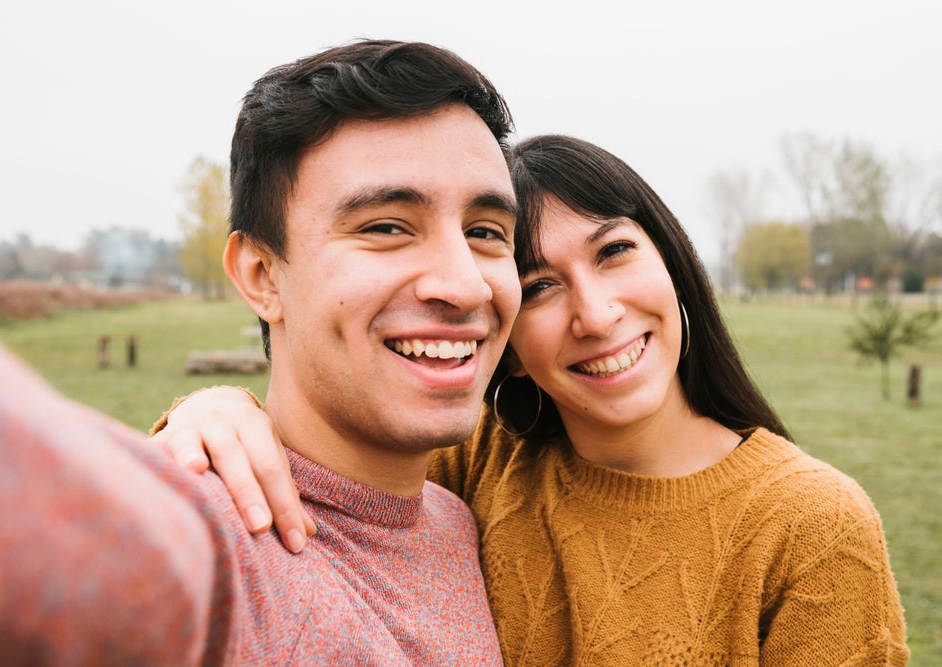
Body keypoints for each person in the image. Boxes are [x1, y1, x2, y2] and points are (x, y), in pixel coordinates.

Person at [154, 135, 910, 664]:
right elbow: (325, 465)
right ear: (506, 333)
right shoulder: (478, 463)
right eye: (542, 285)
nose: (597, 314)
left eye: (615, 252)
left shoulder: (812, 526)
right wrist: (213, 411)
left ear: (674, 266)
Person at [0, 38, 524, 664]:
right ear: (260, 275)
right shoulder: (217, 531)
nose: (465, 283)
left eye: (485, 232)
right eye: (385, 227)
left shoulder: (466, 521)